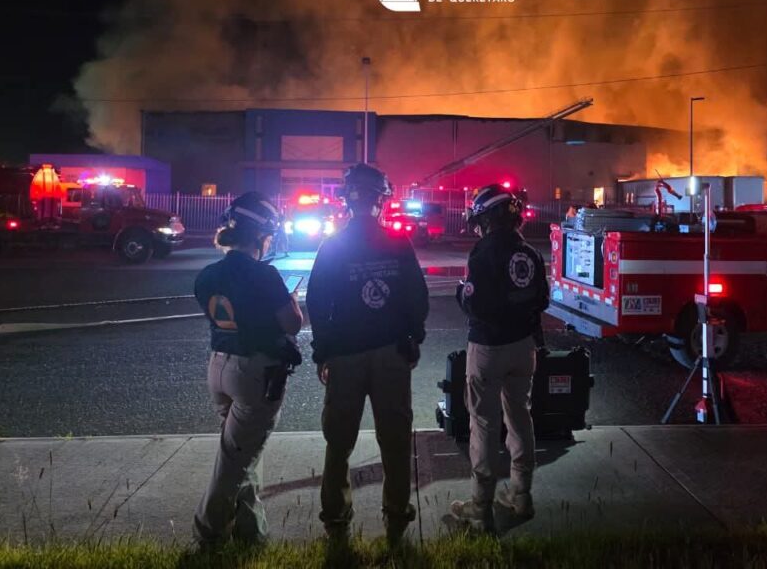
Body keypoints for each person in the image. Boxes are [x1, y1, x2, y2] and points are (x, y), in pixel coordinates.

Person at [307, 163, 429, 545]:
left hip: (344, 357)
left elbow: (316, 303)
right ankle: (396, 518)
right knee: (394, 442)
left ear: (346, 201)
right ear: (382, 200)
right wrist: (413, 338)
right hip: (392, 355)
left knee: (338, 443)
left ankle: (336, 520)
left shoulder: (333, 246)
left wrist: (323, 352)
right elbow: (417, 297)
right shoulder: (397, 243)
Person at [192, 191, 304, 547]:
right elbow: (291, 324)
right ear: (261, 235)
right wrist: (292, 302)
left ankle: (250, 532)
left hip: (218, 366)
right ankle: (208, 530)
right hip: (255, 371)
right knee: (233, 460)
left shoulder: (207, 275)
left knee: (243, 452)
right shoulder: (264, 275)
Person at [451, 183, 549, 533]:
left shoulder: (483, 252)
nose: (477, 227)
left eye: (479, 220)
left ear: (489, 218)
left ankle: (480, 507)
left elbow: (477, 305)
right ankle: (522, 494)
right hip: (524, 347)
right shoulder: (530, 252)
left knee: (485, 425)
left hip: (490, 348)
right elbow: (543, 300)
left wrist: (461, 294)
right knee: (520, 418)